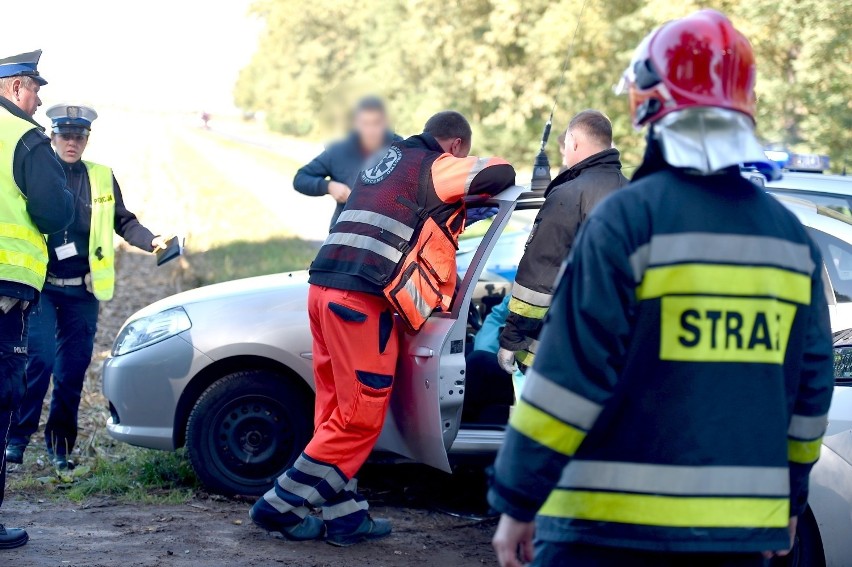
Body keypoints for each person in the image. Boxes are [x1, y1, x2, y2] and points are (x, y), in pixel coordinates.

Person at [489, 10, 834, 567]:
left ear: (650, 104)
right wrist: (788, 501)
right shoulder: (790, 242)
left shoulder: (626, 222)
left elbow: (566, 379)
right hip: (738, 538)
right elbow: (808, 398)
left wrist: (517, 500)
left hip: (606, 535)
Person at [251, 110, 515, 546]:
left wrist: (460, 215)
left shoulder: (385, 164)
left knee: (334, 414)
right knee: (359, 418)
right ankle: (279, 505)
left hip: (324, 291)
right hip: (360, 303)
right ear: (455, 147)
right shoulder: (436, 164)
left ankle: (345, 516)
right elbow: (498, 171)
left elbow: (413, 223)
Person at [5, 104, 167, 470]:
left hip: (83, 291)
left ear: (87, 140)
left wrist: (153, 240)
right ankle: (16, 439)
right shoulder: (38, 169)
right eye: (65, 136)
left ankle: (60, 447)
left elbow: (124, 221)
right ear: (52, 137)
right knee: (39, 363)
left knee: (72, 372)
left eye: (79, 137)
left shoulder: (101, 177)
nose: (72, 143)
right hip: (44, 287)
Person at [0, 49, 74, 549]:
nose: (39, 98)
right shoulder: (21, 136)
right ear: (14, 87)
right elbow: (52, 211)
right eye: (36, 88)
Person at [497, 110, 628, 375]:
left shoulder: (569, 195)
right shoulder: (636, 194)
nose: (564, 153)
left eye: (566, 146)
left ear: (574, 141)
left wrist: (512, 339)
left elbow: (540, 276)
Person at [293, 96, 403, 230]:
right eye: (365, 124)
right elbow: (301, 178)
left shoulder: (403, 150)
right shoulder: (338, 151)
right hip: (346, 233)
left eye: (376, 123)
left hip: (389, 237)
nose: (371, 130)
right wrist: (328, 186)